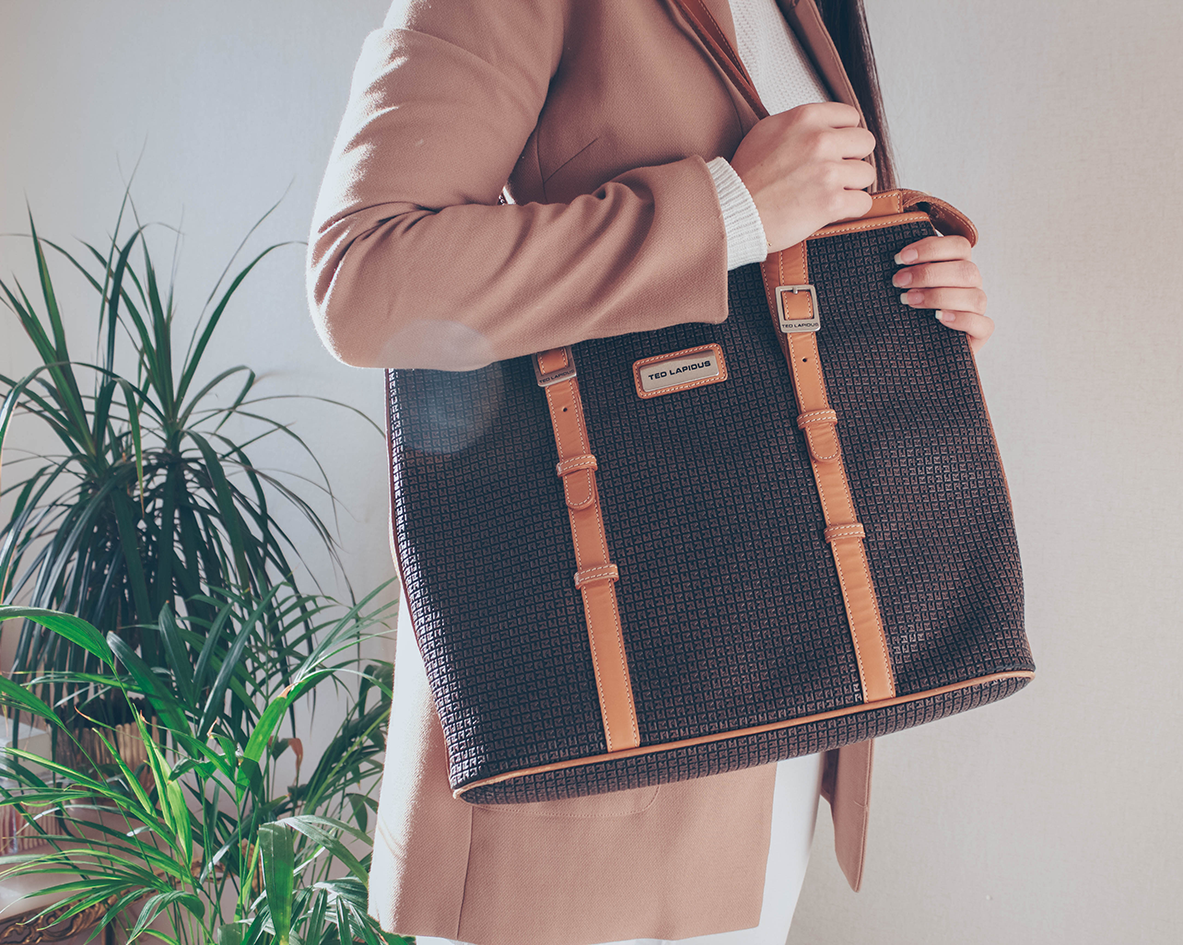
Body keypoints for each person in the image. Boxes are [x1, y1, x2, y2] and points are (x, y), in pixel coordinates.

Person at [307, 1, 992, 943]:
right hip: (587, 771)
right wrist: (725, 209)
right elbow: (365, 279)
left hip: (780, 710)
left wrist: (901, 284)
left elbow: (772, 267)